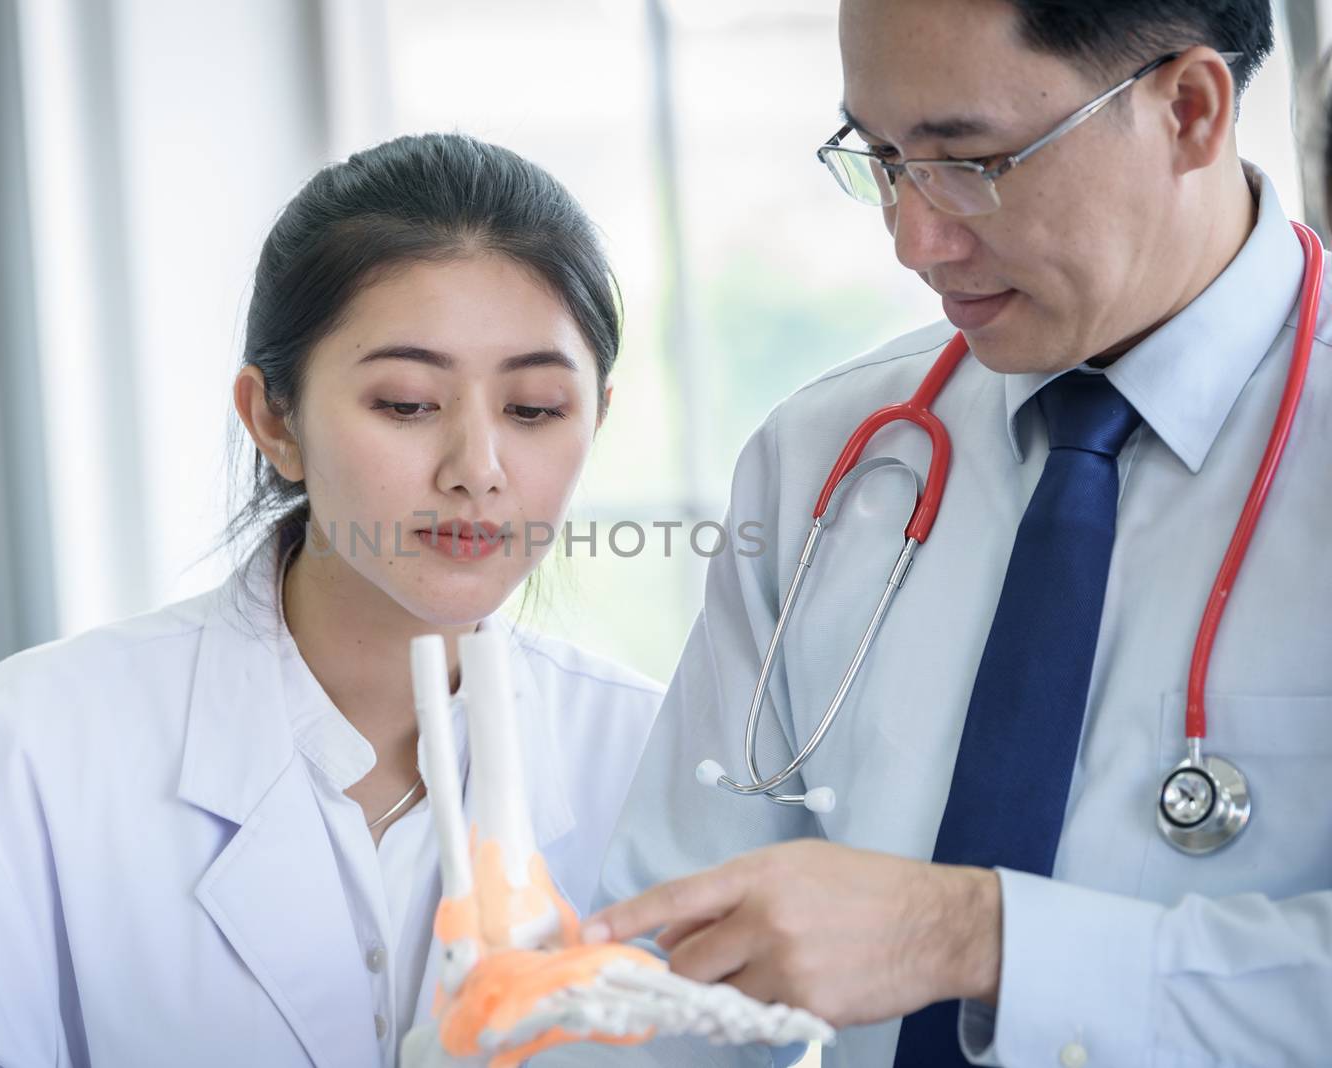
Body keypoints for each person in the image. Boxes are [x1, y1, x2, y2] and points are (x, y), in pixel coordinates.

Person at [524, 1, 1332, 1066]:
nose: (914, 239)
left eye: (975, 161)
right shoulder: (826, 459)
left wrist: (974, 938)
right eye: (881, 156)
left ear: (1186, 109)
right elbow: (672, 969)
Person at [0, 132, 662, 1068]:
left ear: (596, 420)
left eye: (535, 409)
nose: (479, 471)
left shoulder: (651, 762)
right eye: (408, 404)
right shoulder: (23, 760)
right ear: (275, 420)